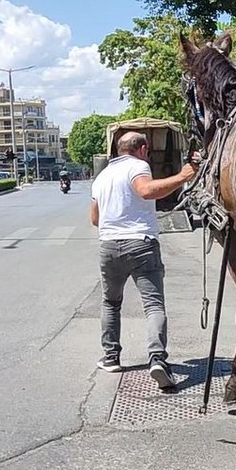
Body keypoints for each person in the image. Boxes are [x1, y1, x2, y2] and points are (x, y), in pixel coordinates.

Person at [90, 131, 197, 388]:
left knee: (111, 303)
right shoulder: (138, 166)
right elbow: (146, 191)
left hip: (109, 246)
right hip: (141, 243)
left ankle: (111, 357)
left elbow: (95, 218)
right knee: (153, 305)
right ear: (142, 149)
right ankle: (157, 359)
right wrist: (183, 176)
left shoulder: (102, 176)